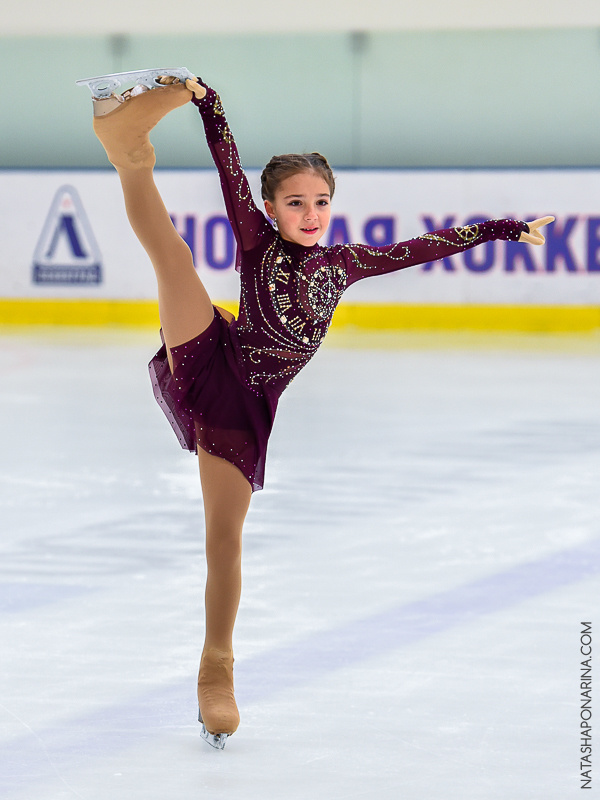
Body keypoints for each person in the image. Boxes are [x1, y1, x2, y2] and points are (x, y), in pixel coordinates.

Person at [87, 70, 553, 748]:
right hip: (214, 351)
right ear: (273, 208)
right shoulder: (254, 240)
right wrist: (208, 103)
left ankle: (216, 665)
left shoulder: (346, 264)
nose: (310, 213)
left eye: (321, 201)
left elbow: (426, 247)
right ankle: (130, 149)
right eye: (296, 201)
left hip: (245, 404)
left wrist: (506, 228)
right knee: (173, 259)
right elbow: (228, 169)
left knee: (225, 539)